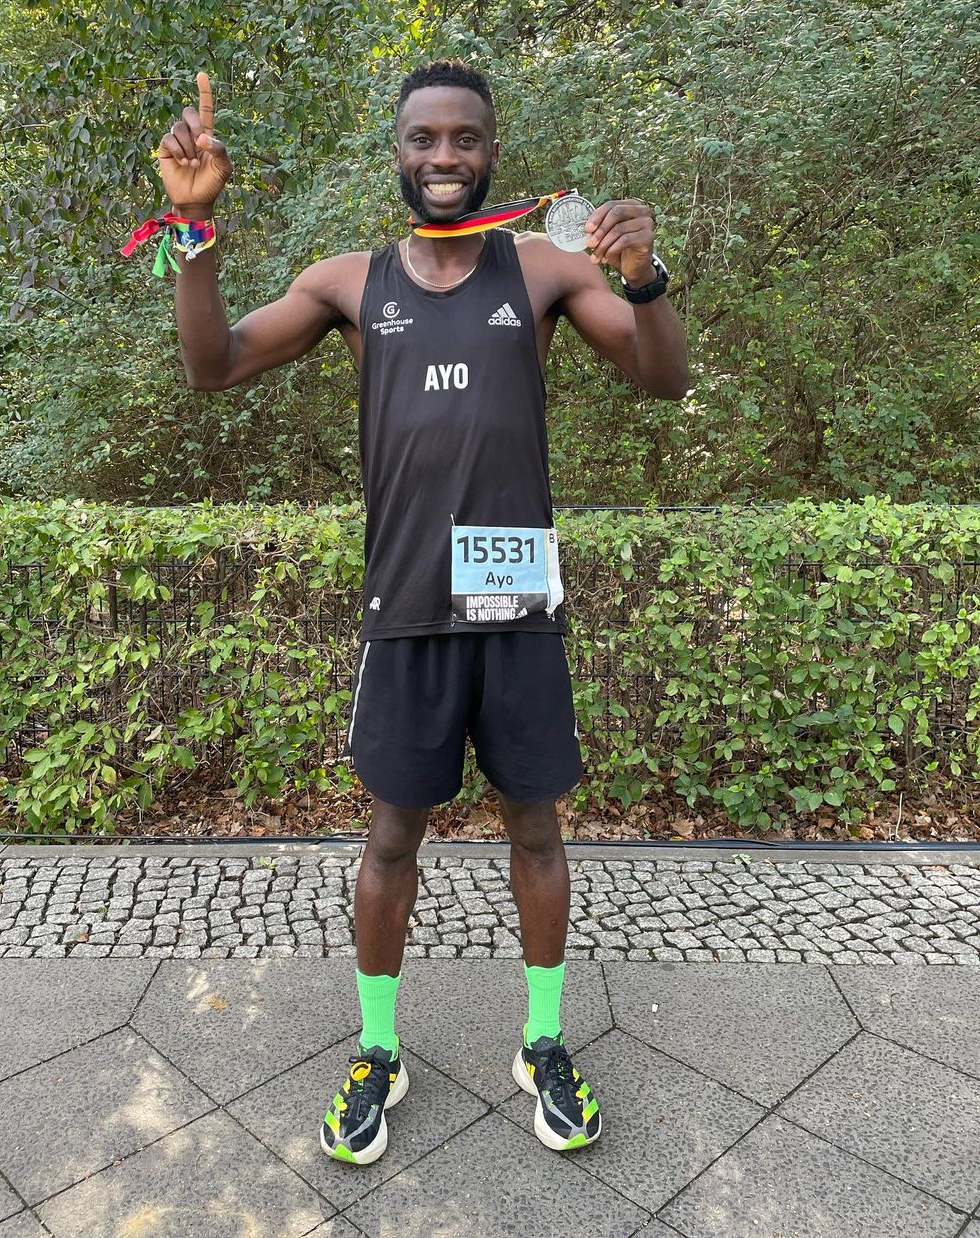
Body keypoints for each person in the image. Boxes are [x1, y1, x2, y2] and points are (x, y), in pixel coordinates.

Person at [151, 58, 690, 1165]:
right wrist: (191, 228)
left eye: (465, 139)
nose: (445, 157)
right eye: (424, 139)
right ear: (396, 153)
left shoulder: (541, 267)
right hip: (405, 606)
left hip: (515, 597)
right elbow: (212, 366)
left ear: (492, 151)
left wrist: (646, 280)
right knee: (391, 836)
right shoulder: (349, 284)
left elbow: (663, 380)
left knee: (536, 827)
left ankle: (543, 1042)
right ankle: (378, 1051)